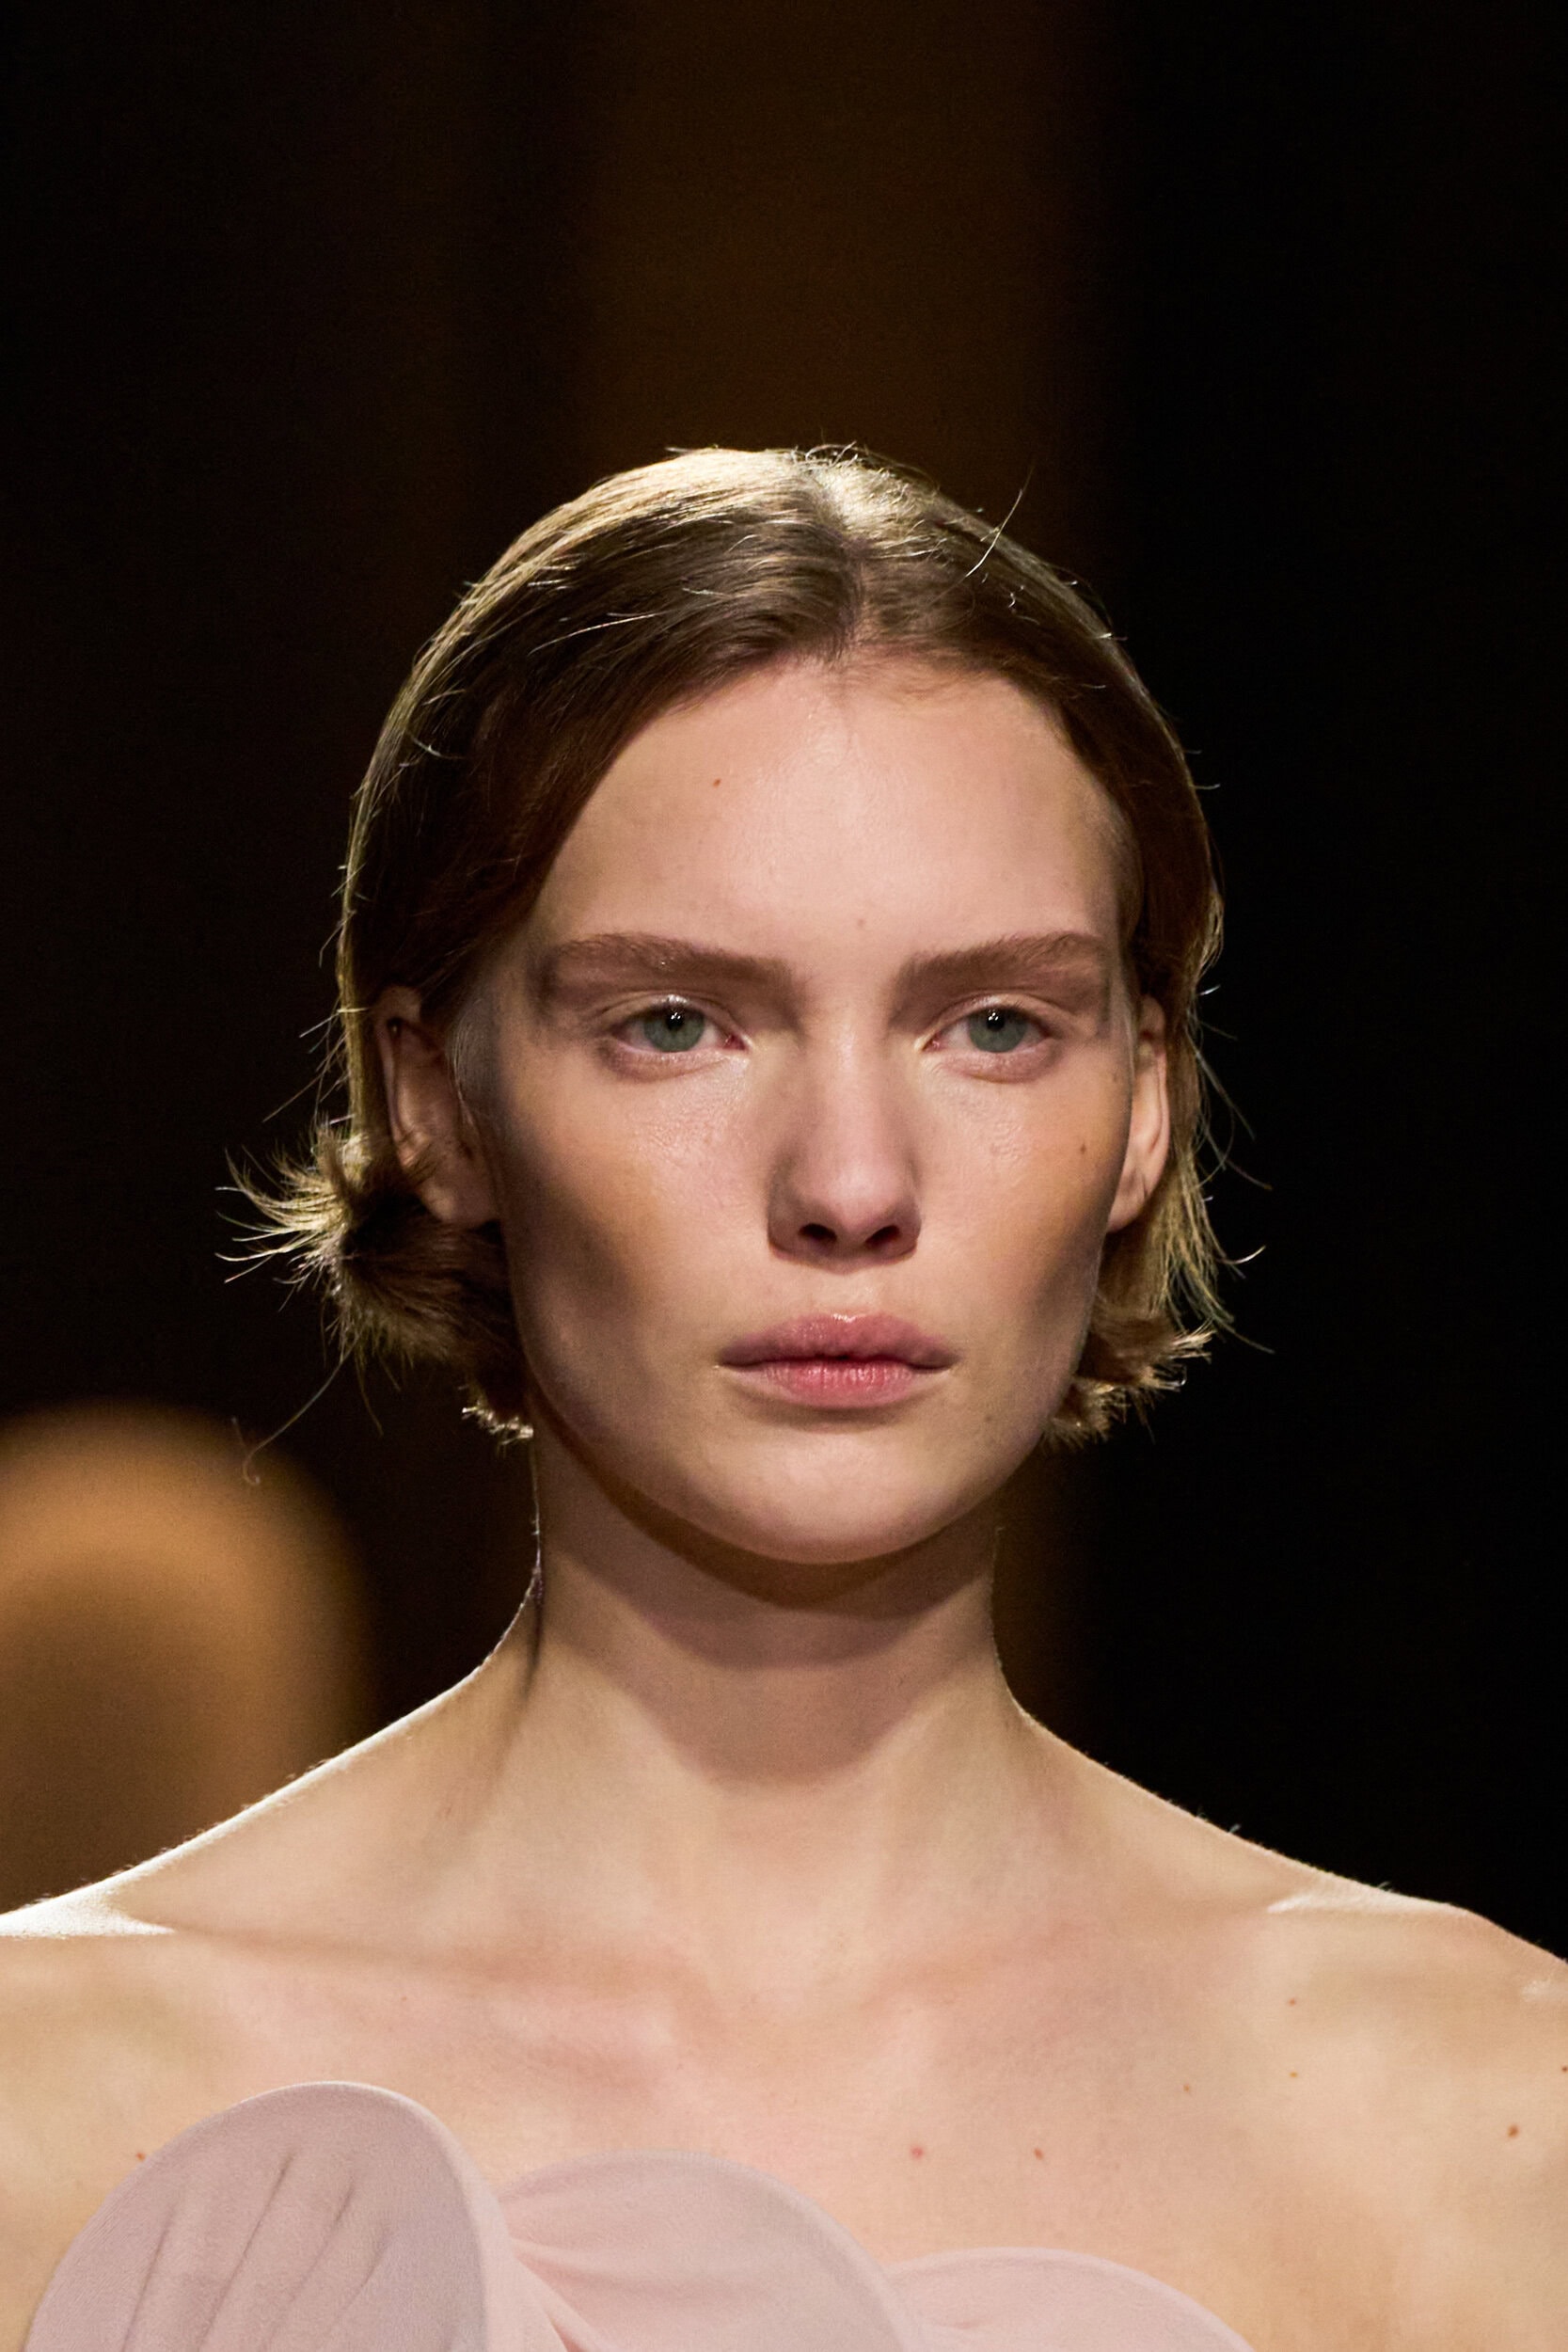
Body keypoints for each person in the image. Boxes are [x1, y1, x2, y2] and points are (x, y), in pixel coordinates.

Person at [1, 449, 1560, 2349]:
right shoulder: (44, 2113)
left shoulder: (1486, 2128)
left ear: (1144, 1103)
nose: (849, 1183)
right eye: (677, 1022)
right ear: (435, 1101)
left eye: (995, 1024)